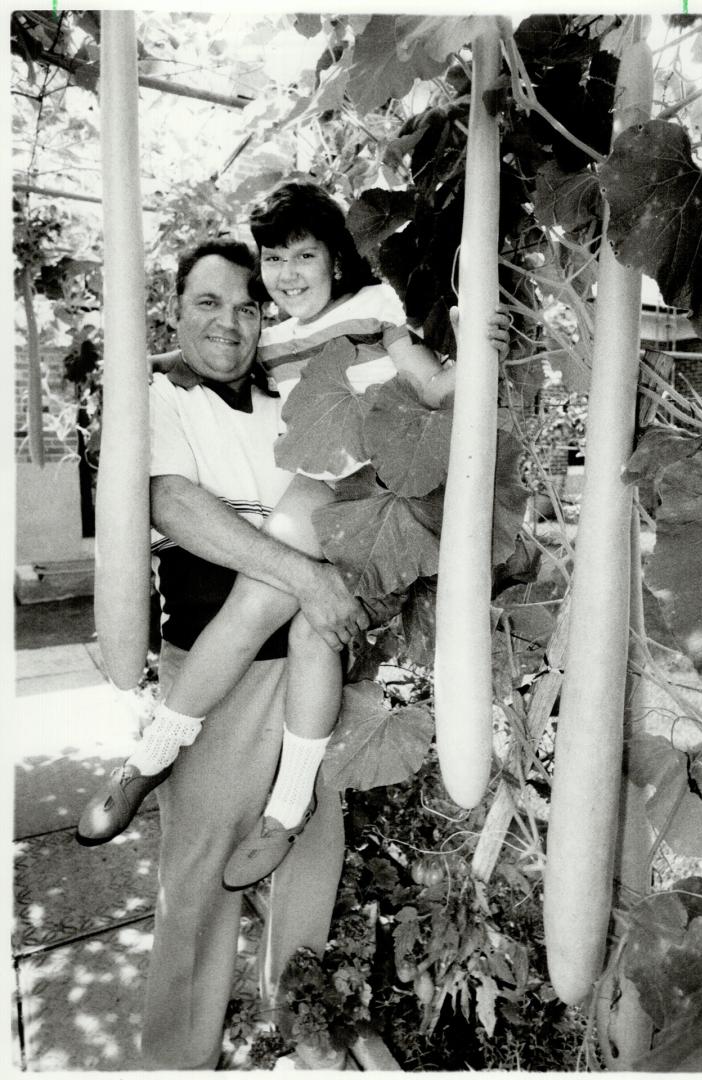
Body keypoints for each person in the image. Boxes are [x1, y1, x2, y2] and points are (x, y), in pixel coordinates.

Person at [77, 182, 511, 893]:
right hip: (321, 483)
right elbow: (202, 365)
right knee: (284, 617)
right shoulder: (269, 340)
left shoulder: (375, 311)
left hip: (375, 490)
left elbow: (432, 390)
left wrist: (478, 351)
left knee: (286, 617)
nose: (284, 276)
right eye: (272, 259)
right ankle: (210, 774)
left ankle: (241, 787)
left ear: (336, 259)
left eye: (301, 256)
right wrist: (146, 367)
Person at [103, 239, 361, 1068]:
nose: (229, 322)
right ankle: (175, 1058)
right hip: (216, 674)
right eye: (208, 302)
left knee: (308, 864)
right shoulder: (156, 397)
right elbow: (177, 507)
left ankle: (301, 1038)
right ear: (174, 307)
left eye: (247, 306)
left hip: (311, 671)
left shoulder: (291, 396)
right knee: (200, 881)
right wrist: (306, 578)